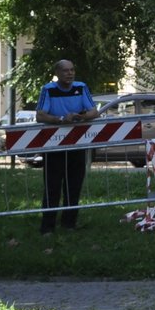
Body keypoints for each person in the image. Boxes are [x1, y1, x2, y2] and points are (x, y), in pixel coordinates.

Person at [34, 59, 98, 233]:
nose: (70, 73)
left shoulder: (81, 87)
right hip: (53, 146)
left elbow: (94, 111)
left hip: (77, 144)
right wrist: (60, 119)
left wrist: (82, 117)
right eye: (65, 71)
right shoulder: (48, 90)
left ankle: (69, 223)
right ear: (57, 73)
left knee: (74, 185)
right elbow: (40, 115)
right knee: (52, 186)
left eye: (72, 70)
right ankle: (47, 227)